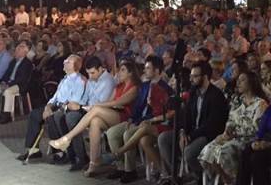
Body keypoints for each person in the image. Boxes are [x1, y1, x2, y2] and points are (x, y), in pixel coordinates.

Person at [48, 60, 141, 177]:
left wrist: (94, 106)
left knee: (95, 110)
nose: (119, 72)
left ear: (131, 73)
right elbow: (110, 102)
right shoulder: (119, 86)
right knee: (94, 121)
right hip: (113, 114)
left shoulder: (134, 87)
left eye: (123, 70)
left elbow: (117, 102)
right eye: (119, 69)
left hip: (126, 117)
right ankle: (94, 164)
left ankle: (67, 138)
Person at [159, 61, 228, 183]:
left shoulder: (216, 96)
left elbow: (212, 125)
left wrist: (190, 136)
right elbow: (186, 116)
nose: (191, 79)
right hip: (192, 132)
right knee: (163, 138)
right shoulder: (194, 92)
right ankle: (174, 176)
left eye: (195, 76)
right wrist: (182, 132)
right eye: (191, 76)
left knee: (190, 152)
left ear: (205, 77)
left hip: (207, 135)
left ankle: (199, 176)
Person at [107, 55, 172, 183]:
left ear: (157, 70)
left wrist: (141, 121)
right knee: (112, 133)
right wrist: (132, 119)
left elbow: (163, 113)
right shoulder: (144, 86)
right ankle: (120, 166)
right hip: (137, 119)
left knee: (127, 134)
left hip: (152, 122)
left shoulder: (165, 89)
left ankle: (130, 170)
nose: (144, 71)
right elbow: (137, 106)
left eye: (148, 68)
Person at [199, 71, 268, 185]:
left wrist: (234, 134)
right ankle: (227, 179)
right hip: (232, 137)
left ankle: (235, 180)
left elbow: (257, 128)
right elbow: (231, 120)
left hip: (248, 139)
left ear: (251, 83)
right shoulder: (237, 100)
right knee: (207, 152)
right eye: (238, 80)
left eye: (242, 80)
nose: (238, 83)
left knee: (223, 152)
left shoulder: (260, 103)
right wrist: (226, 133)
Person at [16, 55, 87, 167]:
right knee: (35, 114)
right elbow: (54, 98)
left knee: (52, 118)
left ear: (75, 66)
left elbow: (75, 101)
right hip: (55, 105)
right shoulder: (64, 79)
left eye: (67, 62)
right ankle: (33, 150)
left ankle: (59, 152)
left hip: (68, 108)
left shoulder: (80, 81)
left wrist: (54, 109)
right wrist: (48, 107)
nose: (64, 62)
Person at [0, 43, 33, 124]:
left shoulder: (27, 63)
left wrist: (9, 85)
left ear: (24, 53)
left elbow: (21, 79)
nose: (16, 52)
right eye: (16, 50)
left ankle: (7, 115)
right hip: (8, 83)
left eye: (18, 51)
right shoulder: (13, 61)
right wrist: (4, 82)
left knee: (8, 92)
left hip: (19, 85)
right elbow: (6, 74)